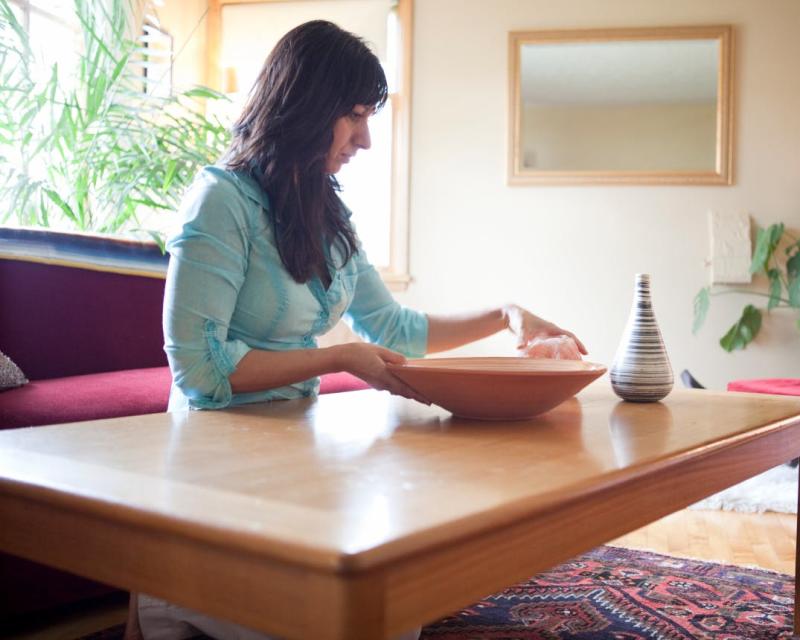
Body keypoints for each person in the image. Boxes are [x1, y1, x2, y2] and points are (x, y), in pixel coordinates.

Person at [127, 19, 586, 640]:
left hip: (293, 460)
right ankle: (167, 598)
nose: (366, 140)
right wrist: (336, 358)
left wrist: (508, 314)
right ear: (305, 109)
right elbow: (201, 374)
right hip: (215, 472)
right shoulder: (220, 202)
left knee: (396, 609)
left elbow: (394, 324)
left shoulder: (327, 213)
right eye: (354, 116)